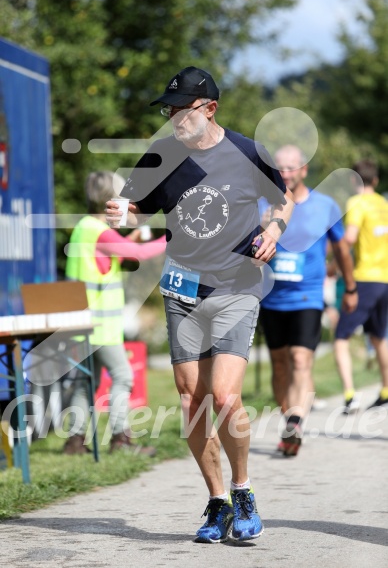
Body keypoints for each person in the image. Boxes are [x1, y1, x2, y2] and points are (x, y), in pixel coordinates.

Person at [106, 66, 294, 543]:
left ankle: (243, 488)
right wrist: (121, 213)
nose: (172, 117)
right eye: (168, 109)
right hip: (182, 289)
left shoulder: (250, 152)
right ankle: (217, 501)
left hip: (236, 286)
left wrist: (272, 232)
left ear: (209, 108)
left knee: (226, 397)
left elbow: (282, 201)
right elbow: (138, 211)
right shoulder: (161, 154)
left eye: (181, 108)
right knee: (193, 401)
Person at [259, 145, 358, 456]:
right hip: (271, 298)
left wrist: (351, 288)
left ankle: (295, 421)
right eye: (280, 168)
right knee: (279, 363)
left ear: (304, 170)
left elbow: (342, 250)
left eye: (291, 167)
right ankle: (290, 419)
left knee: (301, 359)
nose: (285, 173)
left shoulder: (325, 205)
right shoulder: (264, 203)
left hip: (308, 295)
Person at [63, 171, 166, 455]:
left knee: (88, 382)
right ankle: (121, 439)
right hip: (100, 326)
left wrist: (129, 242)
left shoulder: (84, 227)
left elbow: (107, 260)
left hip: (82, 323)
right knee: (123, 377)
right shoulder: (101, 232)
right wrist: (172, 237)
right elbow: (140, 254)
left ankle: (75, 440)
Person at [334, 160, 388, 412]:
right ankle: (386, 390)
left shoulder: (356, 203)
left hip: (364, 278)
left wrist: (335, 262)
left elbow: (350, 238)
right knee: (379, 337)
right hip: (385, 279)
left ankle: (349, 396)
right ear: (375, 181)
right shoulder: (383, 204)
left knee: (341, 337)